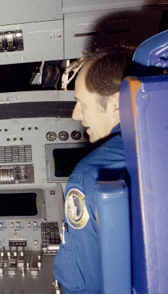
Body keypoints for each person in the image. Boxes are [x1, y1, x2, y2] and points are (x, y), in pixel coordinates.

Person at [54, 51, 132, 293]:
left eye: (82, 103)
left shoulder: (89, 175)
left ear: (117, 105)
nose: (76, 114)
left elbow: (83, 283)